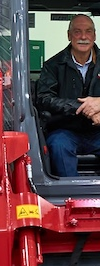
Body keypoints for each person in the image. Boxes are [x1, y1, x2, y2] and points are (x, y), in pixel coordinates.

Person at [35, 14, 100, 176]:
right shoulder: (53, 66)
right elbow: (44, 98)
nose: (83, 37)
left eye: (88, 31)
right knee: (58, 145)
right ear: (69, 35)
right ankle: (71, 196)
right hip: (65, 131)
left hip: (98, 131)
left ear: (95, 35)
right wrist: (82, 108)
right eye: (77, 32)